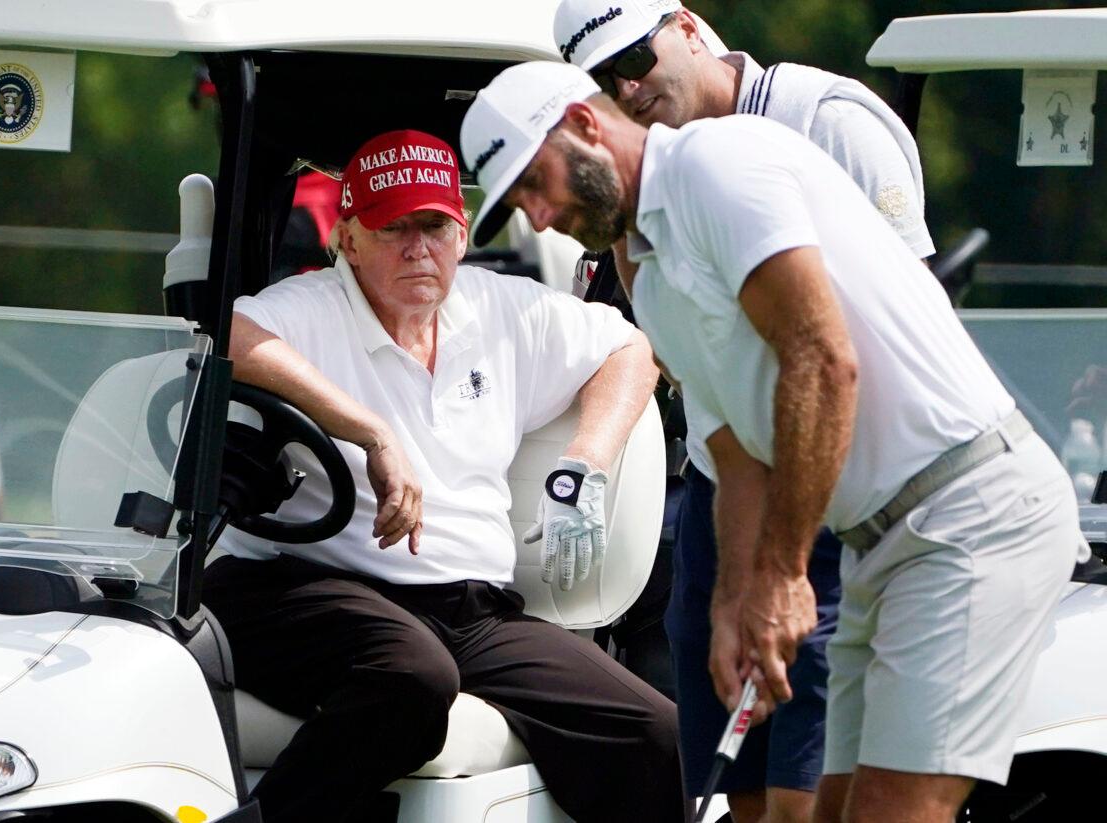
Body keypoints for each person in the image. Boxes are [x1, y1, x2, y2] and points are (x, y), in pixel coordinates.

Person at [459, 62, 1082, 823]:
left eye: (534, 182)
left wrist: (784, 574)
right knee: (831, 813)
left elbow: (822, 360)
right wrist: (734, 603)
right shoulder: (651, 281)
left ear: (585, 127)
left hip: (971, 513)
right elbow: (738, 458)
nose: (539, 216)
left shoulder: (717, 164)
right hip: (877, 545)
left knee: (893, 811)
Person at [202, 128, 687, 823]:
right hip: (310, 586)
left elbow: (631, 348)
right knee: (413, 677)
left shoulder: (498, 308)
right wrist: (371, 430)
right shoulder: (308, 309)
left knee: (655, 733)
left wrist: (586, 462)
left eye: (433, 225)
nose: (417, 247)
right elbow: (231, 337)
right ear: (348, 237)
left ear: (461, 236)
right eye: (392, 226)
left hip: (470, 609)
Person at [550, 1, 936, 818]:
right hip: (727, 488)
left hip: (845, 492)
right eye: (605, 80)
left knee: (812, 799)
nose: (630, 86)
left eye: (637, 59)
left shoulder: (828, 121)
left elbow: (896, 337)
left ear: (688, 28)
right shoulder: (644, 169)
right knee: (733, 794)